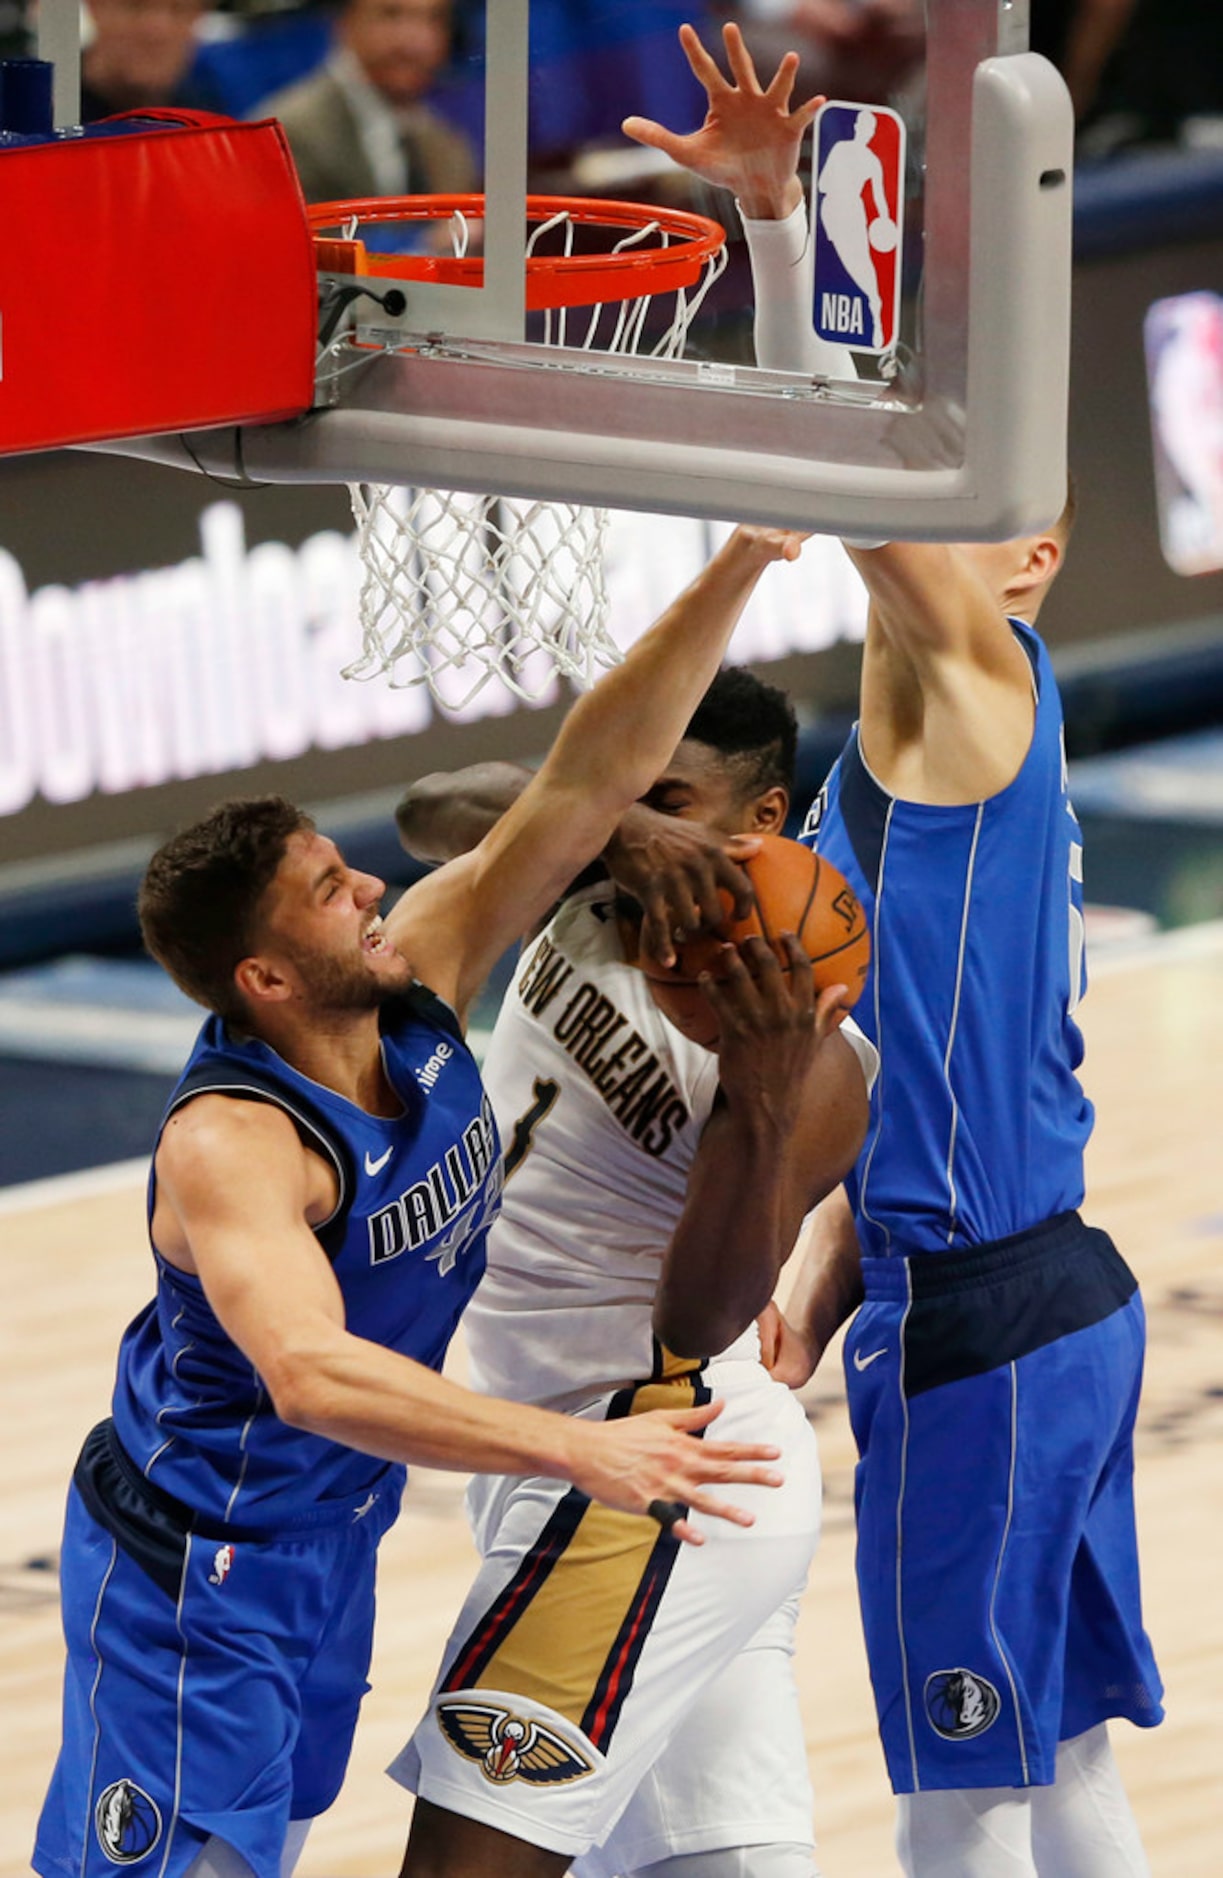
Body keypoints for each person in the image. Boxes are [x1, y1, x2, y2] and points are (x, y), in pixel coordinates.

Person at [32, 527, 803, 1878]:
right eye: (333, 895)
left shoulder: (424, 967)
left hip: (329, 1546)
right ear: (267, 978)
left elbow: (581, 774)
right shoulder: (236, 1142)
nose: (374, 886)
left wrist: (741, 560)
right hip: (193, 1570)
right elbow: (312, 1371)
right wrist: (575, 1450)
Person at [625, 26, 1164, 1877]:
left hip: (994, 1319)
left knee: (954, 1794)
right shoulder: (896, 754)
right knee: (1065, 1760)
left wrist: (787, 229)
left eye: (995, 515)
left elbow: (852, 473)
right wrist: (822, 1267)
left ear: (1034, 561)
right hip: (1037, 1288)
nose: (960, 528)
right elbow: (899, 1068)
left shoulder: (980, 679)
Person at [388, 668, 877, 1878]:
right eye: (627, 791)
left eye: (674, 797)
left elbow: (701, 1314)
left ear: (758, 825)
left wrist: (757, 1097)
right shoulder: (596, 861)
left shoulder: (818, 1071)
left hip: (651, 1462)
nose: (643, 820)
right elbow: (432, 803)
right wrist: (612, 819)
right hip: (546, 1446)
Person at [258, 0, 476, 207]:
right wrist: (422, 243)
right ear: (344, 21)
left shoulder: (448, 145)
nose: (416, 42)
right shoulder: (285, 136)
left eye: (434, 19)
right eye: (392, 14)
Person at [79, 0, 228, 122]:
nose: (157, 31)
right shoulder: (59, 111)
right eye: (135, 7)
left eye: (179, 9)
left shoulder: (206, 113)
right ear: (94, 7)